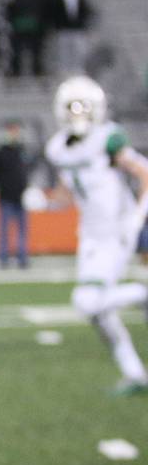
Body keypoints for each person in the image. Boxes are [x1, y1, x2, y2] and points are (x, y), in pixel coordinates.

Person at [46, 75, 148, 395]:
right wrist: (42, 199)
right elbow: (67, 193)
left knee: (86, 302)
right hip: (90, 235)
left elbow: (144, 172)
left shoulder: (109, 138)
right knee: (98, 314)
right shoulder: (58, 148)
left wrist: (137, 217)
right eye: (72, 107)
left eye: (83, 107)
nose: (78, 113)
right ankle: (135, 373)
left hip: (117, 230)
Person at [0, 120, 30, 268]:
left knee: (21, 230)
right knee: (5, 230)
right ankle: (4, 258)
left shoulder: (21, 150)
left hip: (21, 196)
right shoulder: (0, 153)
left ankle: (22, 257)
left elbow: (28, 168)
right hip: (5, 196)